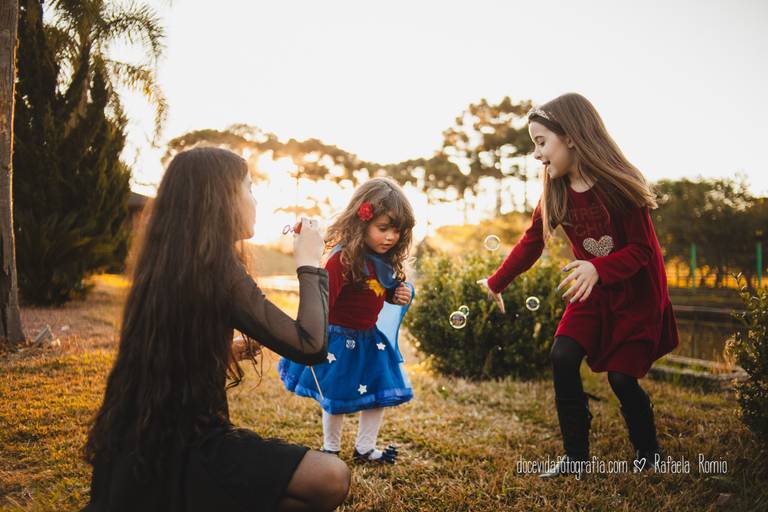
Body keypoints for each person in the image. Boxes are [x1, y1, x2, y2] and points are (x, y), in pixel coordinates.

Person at [82, 147, 350, 511]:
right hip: (192, 448)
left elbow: (169, 349)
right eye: (250, 188)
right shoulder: (218, 267)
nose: (256, 200)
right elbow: (310, 344)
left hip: (141, 446)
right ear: (221, 199)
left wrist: (226, 349)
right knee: (332, 477)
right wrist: (309, 264)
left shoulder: (169, 263)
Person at [478, 93, 679, 478]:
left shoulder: (619, 187)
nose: (537, 155)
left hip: (636, 297)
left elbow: (642, 252)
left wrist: (598, 268)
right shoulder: (554, 192)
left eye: (541, 142)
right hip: (592, 294)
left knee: (622, 379)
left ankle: (649, 451)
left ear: (570, 136)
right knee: (563, 355)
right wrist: (496, 282)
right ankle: (575, 456)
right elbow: (531, 242)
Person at [279, 177, 416, 464]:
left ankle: (365, 448)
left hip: (369, 339)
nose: (390, 237)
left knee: (379, 393)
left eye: (396, 231)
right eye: (383, 228)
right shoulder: (341, 260)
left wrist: (396, 295)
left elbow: (378, 291)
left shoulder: (384, 260)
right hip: (339, 339)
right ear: (361, 221)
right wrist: (314, 335)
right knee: (336, 396)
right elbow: (323, 303)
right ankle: (331, 448)